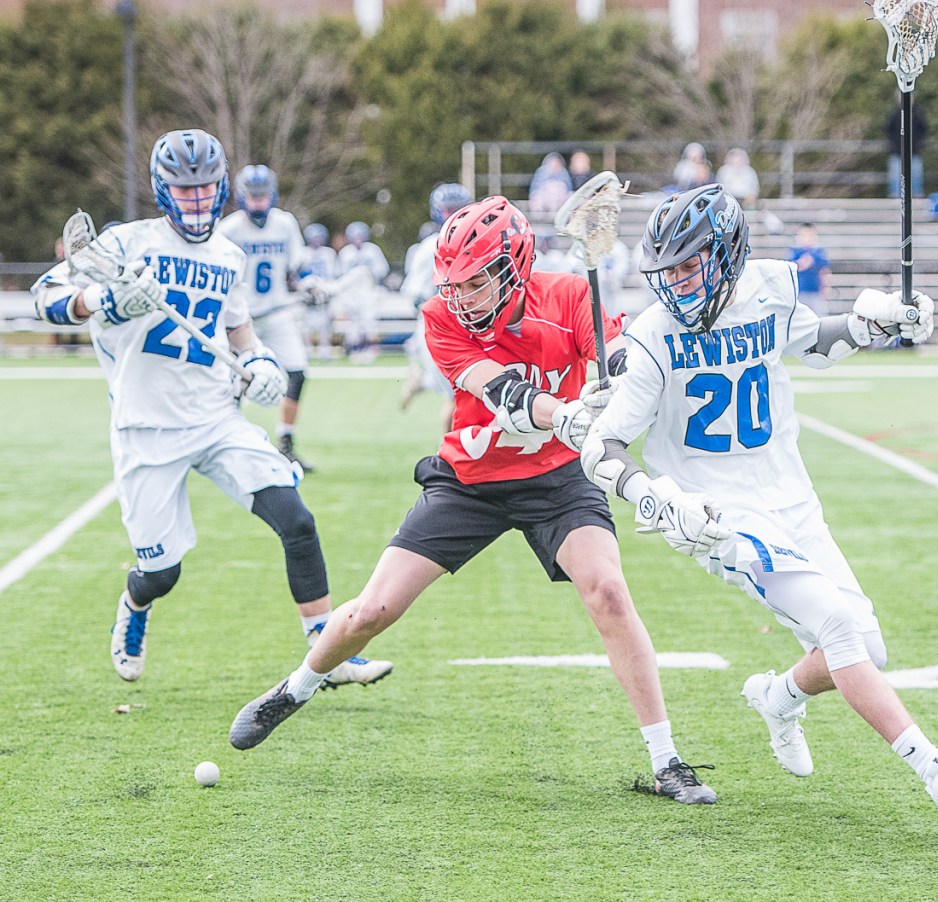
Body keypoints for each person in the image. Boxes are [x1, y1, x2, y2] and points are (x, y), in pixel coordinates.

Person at [229, 195, 718, 806]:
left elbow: (616, 352)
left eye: (473, 283)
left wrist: (614, 378)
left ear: (513, 268)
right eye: (453, 284)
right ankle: (296, 688)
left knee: (609, 592)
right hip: (471, 480)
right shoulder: (442, 317)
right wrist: (565, 413)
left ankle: (666, 758)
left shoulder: (568, 296)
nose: (459, 297)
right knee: (372, 611)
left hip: (559, 480)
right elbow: (503, 392)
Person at [565, 183, 938, 825]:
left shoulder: (768, 288)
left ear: (727, 253)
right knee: (839, 628)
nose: (678, 284)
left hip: (792, 496)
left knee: (864, 650)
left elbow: (810, 343)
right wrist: (657, 496)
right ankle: (935, 770)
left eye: (690, 265)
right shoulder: (654, 336)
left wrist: (871, 325)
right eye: (669, 271)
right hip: (719, 515)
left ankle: (779, 697)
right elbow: (602, 447)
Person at [31, 128, 392, 690]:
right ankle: (134, 604)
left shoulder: (227, 253)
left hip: (217, 419)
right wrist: (102, 299)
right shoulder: (127, 245)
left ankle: (330, 651)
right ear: (163, 190)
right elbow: (45, 298)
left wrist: (262, 361)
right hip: (145, 427)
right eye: (184, 190)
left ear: (221, 188)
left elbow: (238, 329)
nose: (197, 201)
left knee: (296, 520)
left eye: (205, 190)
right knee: (162, 571)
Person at [217, 165, 327, 472]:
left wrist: (310, 284)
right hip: (241, 318)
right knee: (234, 381)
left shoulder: (284, 223)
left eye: (262, 196)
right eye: (252, 197)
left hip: (277, 312)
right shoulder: (229, 229)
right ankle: (229, 445)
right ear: (241, 197)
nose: (258, 203)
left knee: (297, 373)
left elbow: (298, 266)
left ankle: (286, 444)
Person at [398, 183, 472, 428]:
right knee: (457, 396)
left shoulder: (474, 241)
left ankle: (422, 381)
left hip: (466, 325)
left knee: (465, 391)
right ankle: (452, 456)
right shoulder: (430, 246)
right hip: (438, 327)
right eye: (446, 210)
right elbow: (415, 295)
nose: (452, 216)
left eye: (458, 209)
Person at [337, 221, 390, 363]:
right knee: (354, 323)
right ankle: (355, 350)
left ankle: (371, 350)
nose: (358, 239)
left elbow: (381, 271)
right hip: (352, 293)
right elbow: (342, 275)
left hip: (369, 290)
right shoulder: (345, 253)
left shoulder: (373, 250)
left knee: (369, 321)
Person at [301, 223, 340, 363]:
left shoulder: (329, 253)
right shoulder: (302, 252)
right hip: (307, 293)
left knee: (325, 325)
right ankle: (307, 350)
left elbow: (333, 274)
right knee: (305, 325)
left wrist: (327, 289)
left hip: (324, 291)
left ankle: (325, 351)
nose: (316, 241)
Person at [786, 222, 832, 317]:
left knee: (819, 317)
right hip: (799, 292)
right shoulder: (794, 252)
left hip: (815, 292)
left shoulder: (819, 252)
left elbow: (824, 271)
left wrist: (826, 286)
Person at [886, 104, 926, 199]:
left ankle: (916, 198)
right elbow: (888, 130)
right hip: (897, 152)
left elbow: (923, 129)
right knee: (896, 178)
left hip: (914, 152)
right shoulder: (894, 115)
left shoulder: (917, 115)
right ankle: (895, 198)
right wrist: (896, 145)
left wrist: (916, 143)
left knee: (916, 177)